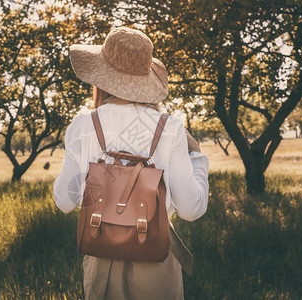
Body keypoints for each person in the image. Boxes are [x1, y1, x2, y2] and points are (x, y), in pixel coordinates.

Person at [53, 26, 209, 300]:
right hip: (155, 261)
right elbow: (191, 210)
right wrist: (197, 157)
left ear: (100, 77)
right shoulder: (170, 128)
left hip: (100, 258)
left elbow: (64, 202)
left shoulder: (83, 125)